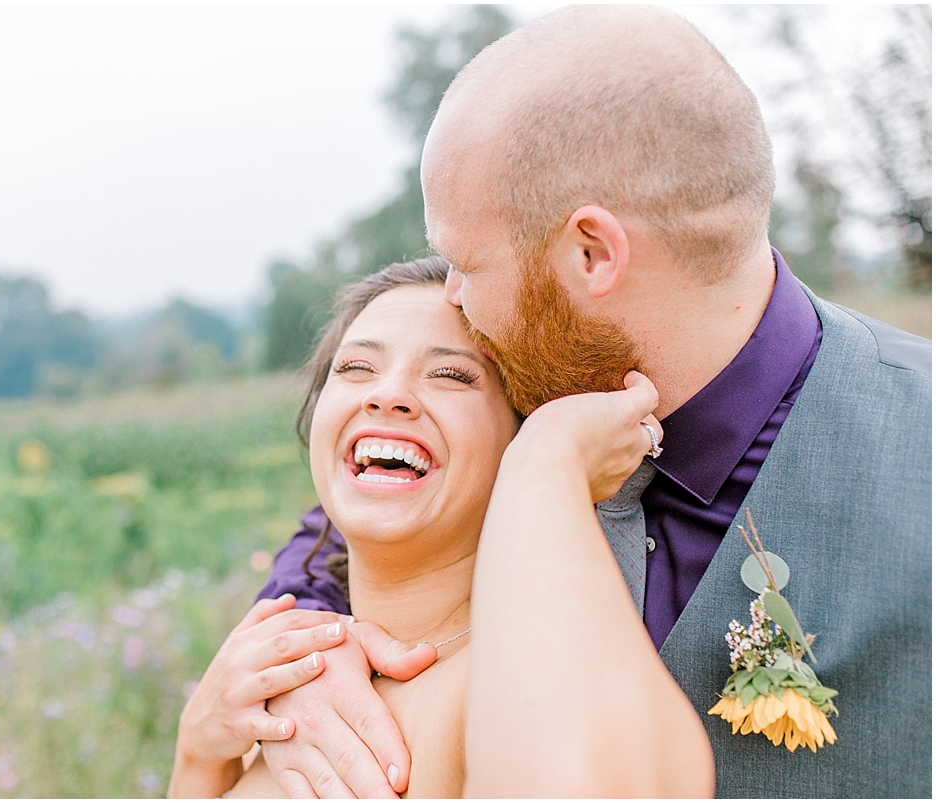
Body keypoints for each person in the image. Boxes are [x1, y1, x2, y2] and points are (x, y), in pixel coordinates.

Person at [256, 5, 931, 798]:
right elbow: (350, 527)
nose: (454, 296)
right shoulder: (519, 385)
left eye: (466, 261)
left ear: (592, 253)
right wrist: (289, 654)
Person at [168, 257, 711, 797]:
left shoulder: (509, 684)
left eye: (450, 375)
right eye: (355, 368)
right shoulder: (290, 711)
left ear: (521, 431)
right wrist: (198, 752)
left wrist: (553, 459)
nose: (386, 394)